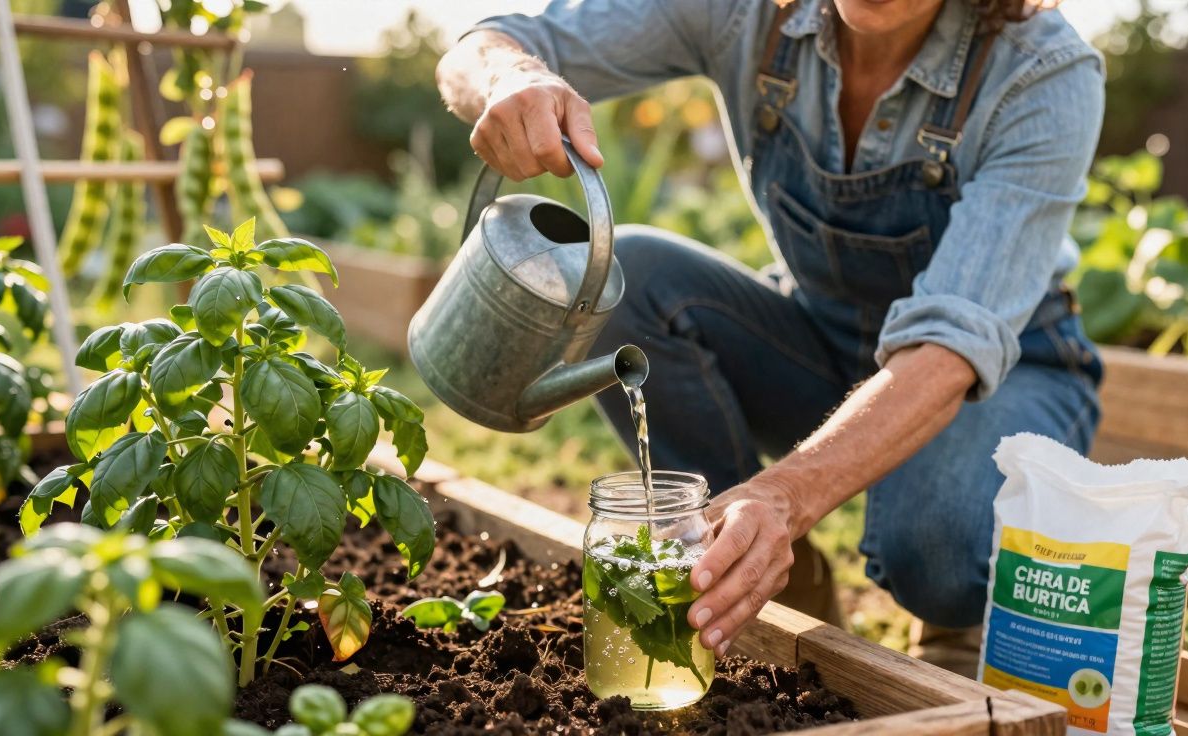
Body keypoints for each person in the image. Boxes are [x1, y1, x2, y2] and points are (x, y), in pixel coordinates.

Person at [436, 0, 1104, 674]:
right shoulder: (744, 14)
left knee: (938, 550)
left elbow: (952, 345)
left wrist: (787, 495)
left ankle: (956, 624)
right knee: (630, 273)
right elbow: (489, 44)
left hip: (998, 372)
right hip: (819, 344)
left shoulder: (1041, 70)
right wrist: (509, 78)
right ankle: (760, 574)